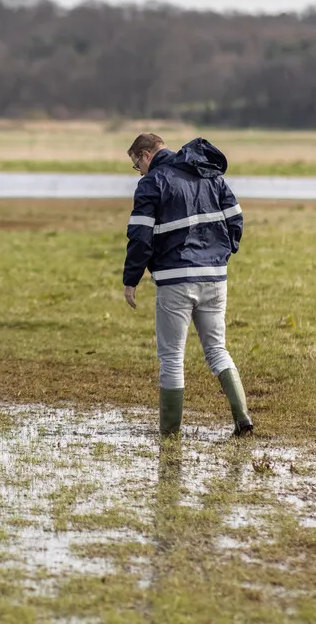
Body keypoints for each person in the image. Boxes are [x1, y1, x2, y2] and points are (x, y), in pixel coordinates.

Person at [122, 133, 254, 438]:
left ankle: (169, 433)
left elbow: (140, 237)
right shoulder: (209, 174)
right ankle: (242, 418)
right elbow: (236, 218)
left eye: (135, 165)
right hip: (215, 276)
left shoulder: (152, 182)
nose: (139, 172)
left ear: (144, 155)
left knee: (171, 357)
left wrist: (131, 280)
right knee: (217, 350)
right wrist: (222, 252)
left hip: (174, 281)